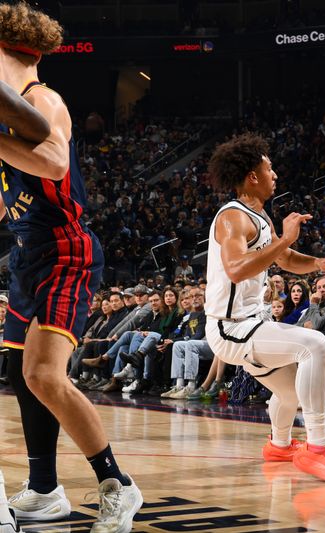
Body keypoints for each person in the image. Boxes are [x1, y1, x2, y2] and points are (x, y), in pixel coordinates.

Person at [0, 4, 142, 531]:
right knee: (22, 372)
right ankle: (44, 490)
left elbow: (56, 162)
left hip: (66, 251)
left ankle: (117, 486)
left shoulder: (44, 100)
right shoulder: (9, 117)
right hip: (26, 254)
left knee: (43, 373)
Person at [203, 133, 325, 483]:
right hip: (230, 327)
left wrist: (319, 262)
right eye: (269, 169)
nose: (275, 176)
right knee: (314, 344)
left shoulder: (259, 216)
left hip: (251, 323)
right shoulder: (232, 218)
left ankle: (279, 445)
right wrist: (286, 239)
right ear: (252, 176)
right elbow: (238, 268)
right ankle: (319, 449)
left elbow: (284, 258)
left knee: (291, 393)